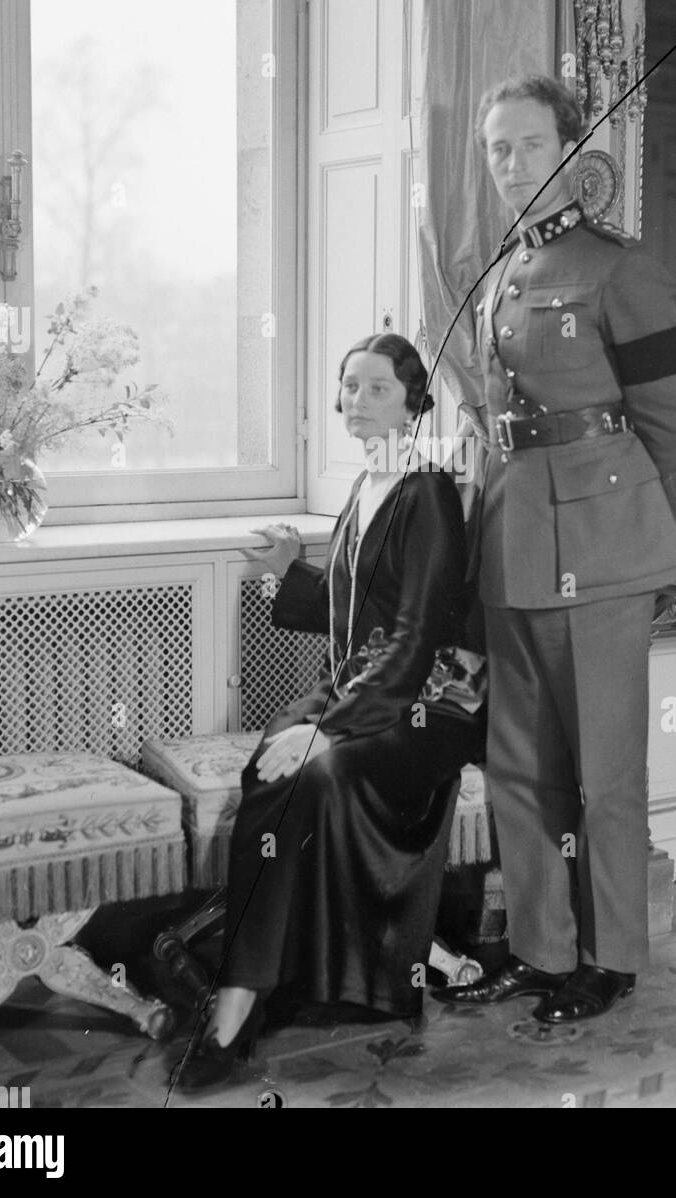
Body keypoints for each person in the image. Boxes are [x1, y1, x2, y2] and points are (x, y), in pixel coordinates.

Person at [432, 75, 676, 1025]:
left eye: (527, 145)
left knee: (605, 771)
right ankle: (540, 949)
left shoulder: (619, 270)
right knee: (520, 767)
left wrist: (655, 552)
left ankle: (612, 957)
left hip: (603, 549)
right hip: (514, 540)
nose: (510, 166)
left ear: (571, 152)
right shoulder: (501, 271)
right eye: (496, 149)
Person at [173, 333, 485, 1091]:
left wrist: (325, 731)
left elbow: (413, 644)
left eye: (378, 388)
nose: (357, 400)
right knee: (267, 768)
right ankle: (280, 978)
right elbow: (362, 614)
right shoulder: (367, 483)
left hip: (428, 704)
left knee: (314, 773)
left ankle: (238, 1006)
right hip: (363, 686)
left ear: (415, 403)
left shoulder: (429, 488)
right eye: (349, 387)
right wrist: (293, 571)